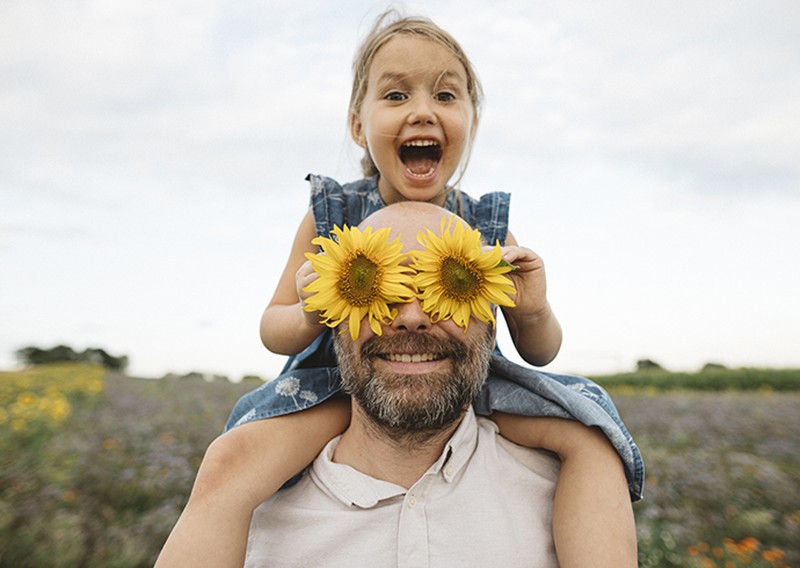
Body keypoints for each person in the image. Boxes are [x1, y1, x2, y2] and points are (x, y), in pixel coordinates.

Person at [155, 10, 642, 568]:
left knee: (589, 431)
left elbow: (541, 352)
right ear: (358, 125)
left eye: (444, 95)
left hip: (472, 382)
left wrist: (533, 310)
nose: (421, 111)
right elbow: (274, 329)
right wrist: (316, 308)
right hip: (331, 388)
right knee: (232, 462)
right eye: (394, 95)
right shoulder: (331, 216)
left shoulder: (484, 225)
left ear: (470, 122)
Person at [243, 202, 634, 567]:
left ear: (494, 319)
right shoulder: (246, 510)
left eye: (446, 289)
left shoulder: (570, 489)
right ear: (330, 319)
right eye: (381, 288)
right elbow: (276, 326)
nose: (412, 316)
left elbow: (541, 347)